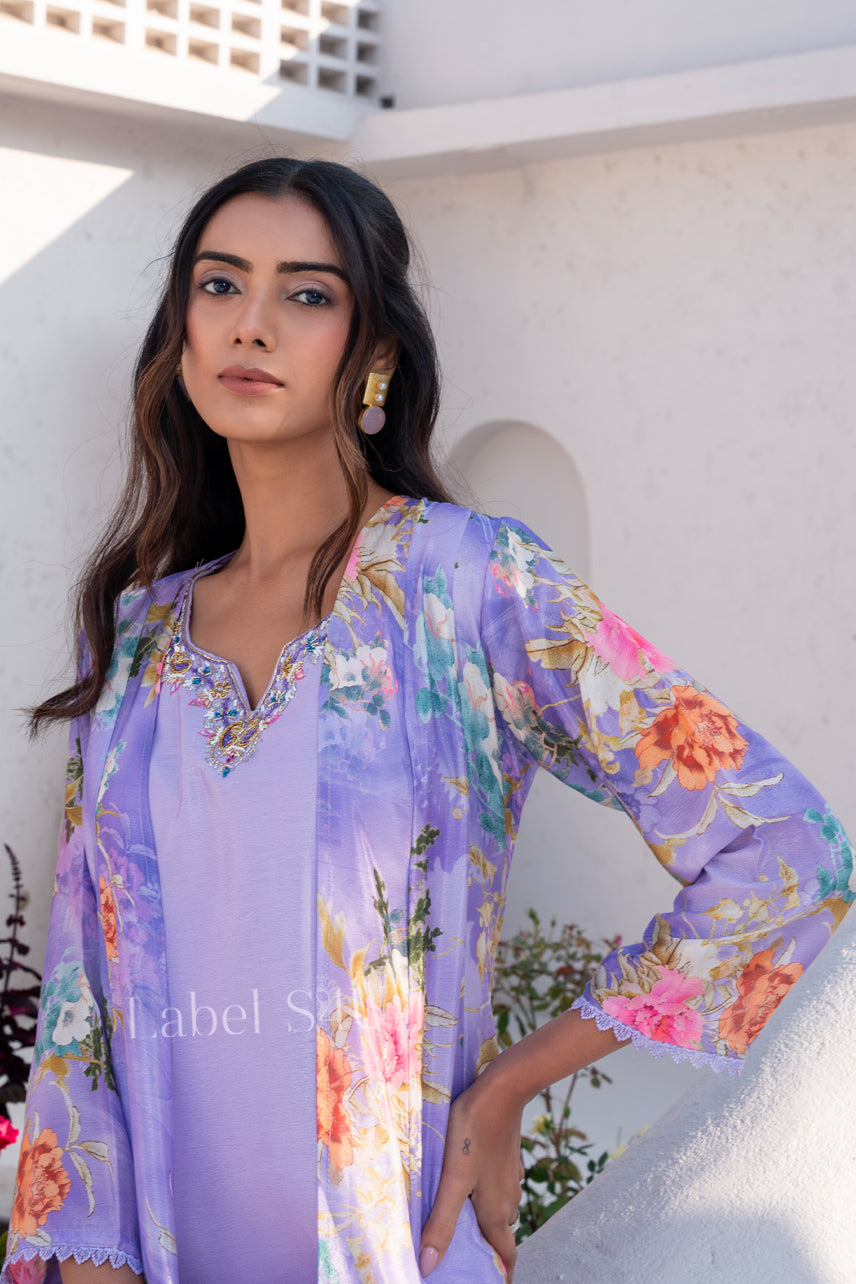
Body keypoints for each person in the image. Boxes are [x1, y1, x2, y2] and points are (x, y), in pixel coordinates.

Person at [2, 157, 852, 1284]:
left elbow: (786, 850)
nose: (252, 323)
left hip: (395, 1242)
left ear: (378, 354)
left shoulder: (470, 583)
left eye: (307, 293)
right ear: (182, 333)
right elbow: (83, 994)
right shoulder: (138, 633)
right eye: (219, 284)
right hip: (163, 1255)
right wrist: (87, 1258)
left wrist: (508, 1085)